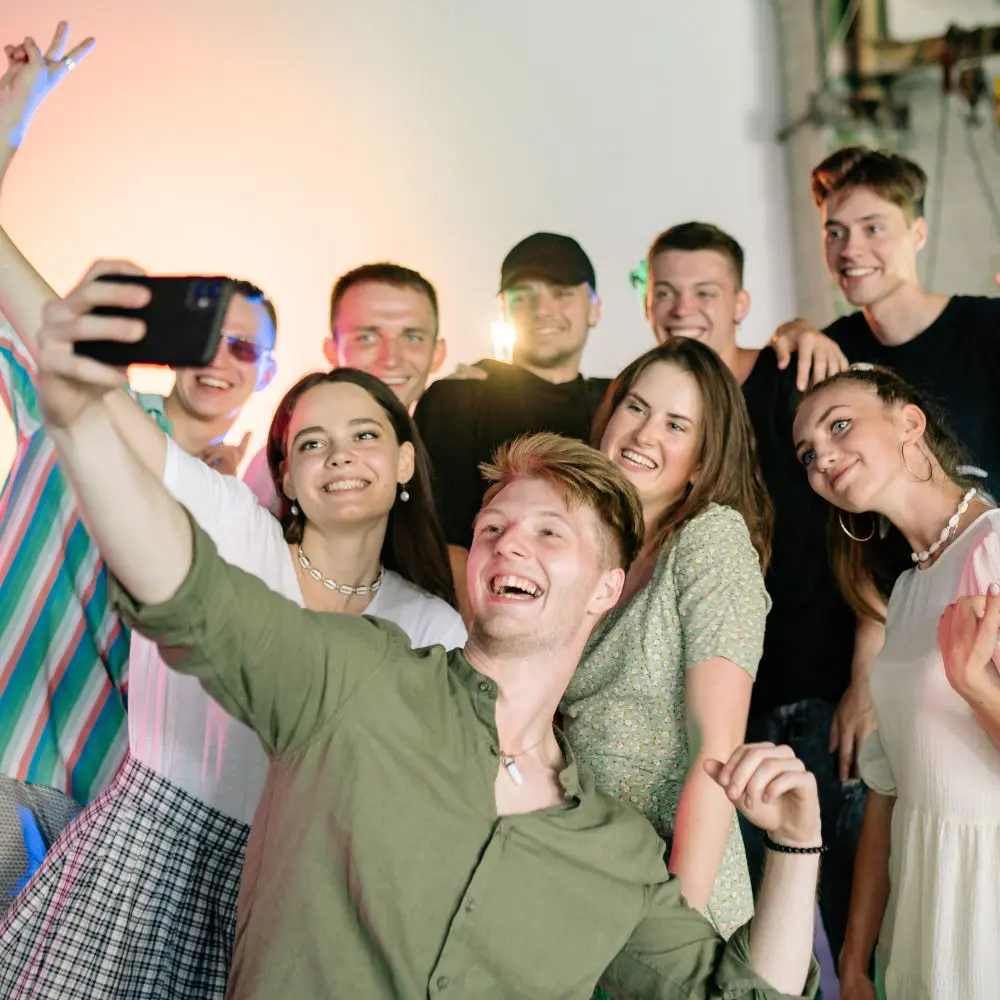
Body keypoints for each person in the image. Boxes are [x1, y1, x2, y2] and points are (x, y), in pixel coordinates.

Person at [27, 271, 827, 998]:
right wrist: (79, 419)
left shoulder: (612, 849)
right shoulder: (359, 678)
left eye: (549, 533)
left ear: (608, 590)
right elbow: (188, 592)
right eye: (493, 528)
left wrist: (796, 850)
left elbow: (737, 995)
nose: (509, 545)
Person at [0, 260, 466, 999]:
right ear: (286, 474)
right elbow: (106, 400)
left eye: (364, 434)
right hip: (136, 866)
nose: (339, 454)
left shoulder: (431, 624)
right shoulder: (235, 531)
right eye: (311, 442)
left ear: (405, 461)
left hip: (288, 908)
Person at [0, 26, 277, 909]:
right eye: (209, 332)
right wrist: (11, 124)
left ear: (270, 375)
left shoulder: (244, 518)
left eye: (246, 347)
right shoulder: (79, 391)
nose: (221, 357)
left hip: (80, 813)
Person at [640, 222, 869, 970]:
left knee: (844, 921)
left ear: (740, 303)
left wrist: (866, 672)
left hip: (815, 697)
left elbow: (864, 522)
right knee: (757, 934)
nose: (683, 308)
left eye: (704, 291)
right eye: (666, 292)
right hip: (714, 721)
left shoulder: (790, 379)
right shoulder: (663, 415)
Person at [793, 363, 1000, 1000]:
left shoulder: (993, 549)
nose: (822, 457)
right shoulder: (907, 590)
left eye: (839, 425)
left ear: (909, 422)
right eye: (807, 454)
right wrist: (855, 959)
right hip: (917, 913)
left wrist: (975, 686)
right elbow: (886, 794)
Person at [561, 338, 772, 945]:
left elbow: (717, 751)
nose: (644, 433)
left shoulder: (712, 540)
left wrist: (675, 927)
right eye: (635, 407)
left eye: (676, 424)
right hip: (583, 870)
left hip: (675, 883)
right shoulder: (591, 547)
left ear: (703, 460)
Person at [776, 145, 1000, 497]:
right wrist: (788, 332)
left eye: (873, 228)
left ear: (918, 234)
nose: (849, 250)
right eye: (835, 233)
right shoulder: (829, 354)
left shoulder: (988, 325)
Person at [413, 232, 611, 615]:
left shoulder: (620, 405)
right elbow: (439, 537)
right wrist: (481, 638)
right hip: (490, 619)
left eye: (562, 293)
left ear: (595, 308)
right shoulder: (460, 399)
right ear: (503, 310)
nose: (543, 309)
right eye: (523, 297)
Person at [243, 262, 446, 510]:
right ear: (332, 351)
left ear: (437, 353)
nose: (391, 359)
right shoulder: (281, 469)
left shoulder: (458, 455)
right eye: (367, 338)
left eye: (412, 337)